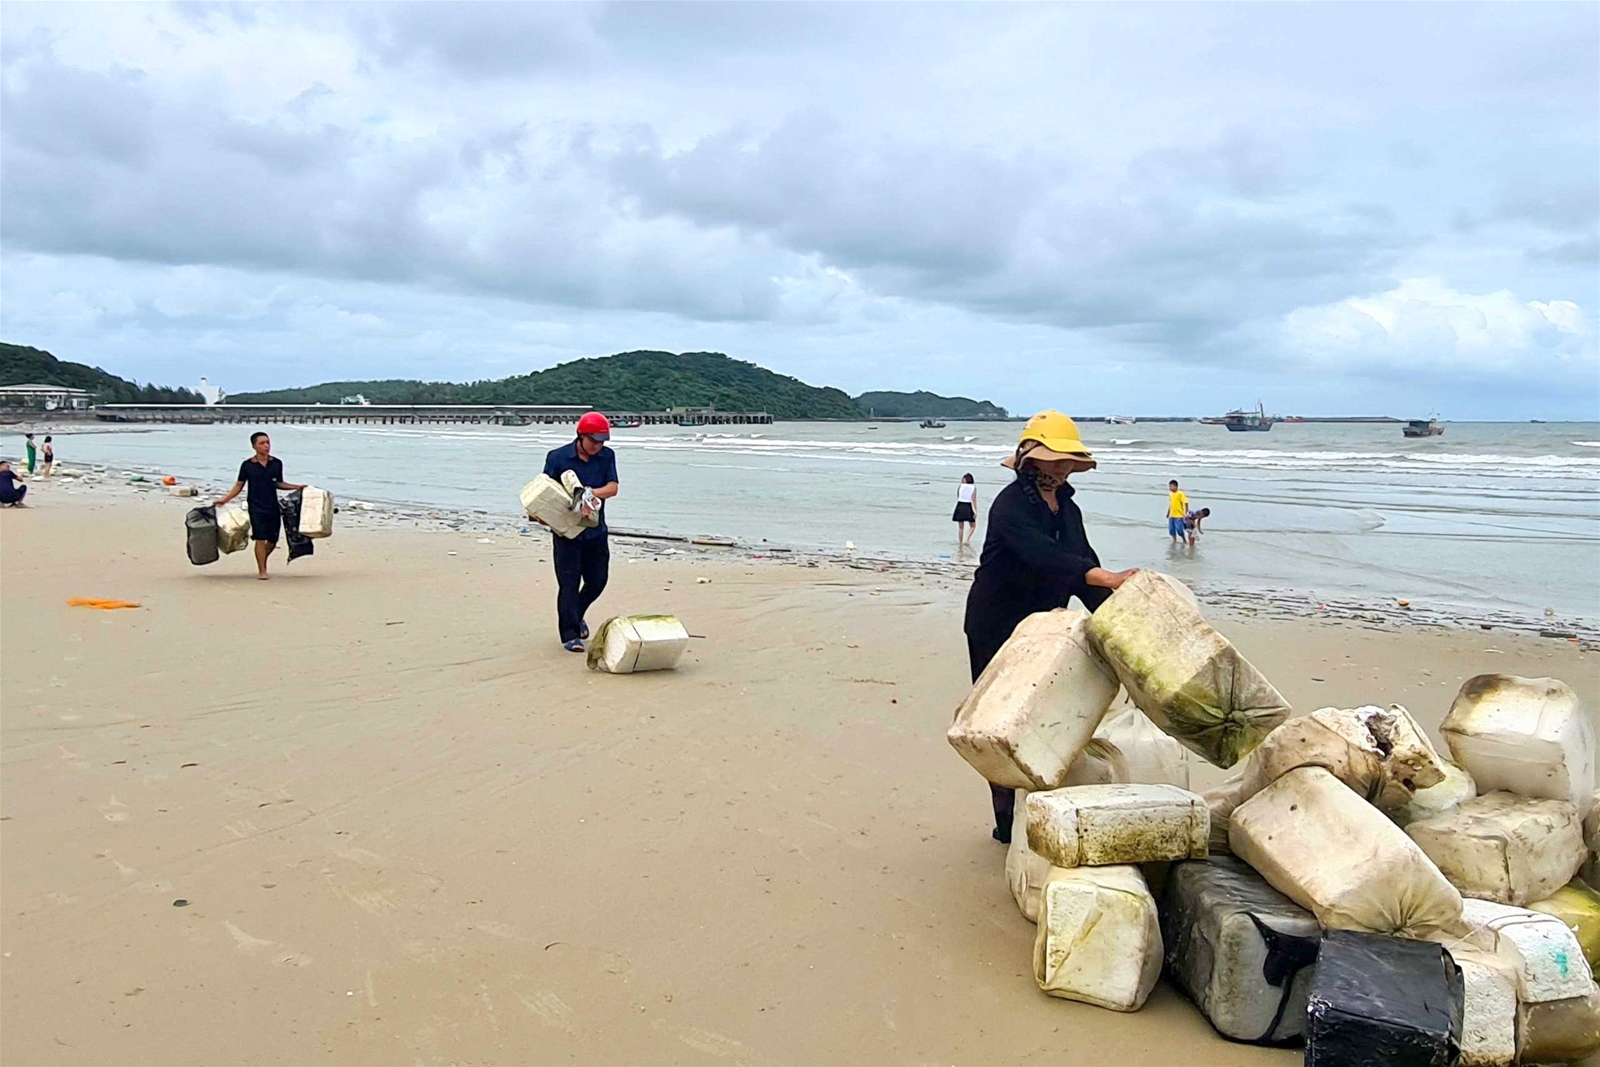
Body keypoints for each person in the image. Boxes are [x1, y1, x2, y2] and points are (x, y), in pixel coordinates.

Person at [964, 411, 1138, 842]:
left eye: (1067, 461)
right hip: (995, 623)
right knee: (999, 723)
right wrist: (1105, 576)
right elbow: (1046, 557)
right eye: (1051, 459)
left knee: (1044, 719)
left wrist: (1122, 619)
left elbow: (1084, 564)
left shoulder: (1069, 509)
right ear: (1029, 458)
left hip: (1044, 630)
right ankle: (1007, 825)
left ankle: (1039, 813)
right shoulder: (1010, 506)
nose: (1060, 468)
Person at [542, 412, 620, 653]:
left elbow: (613, 487)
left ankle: (576, 615)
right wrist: (539, 514)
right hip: (567, 533)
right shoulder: (557, 457)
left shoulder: (607, 456)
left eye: (602, 441)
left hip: (596, 530)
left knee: (598, 581)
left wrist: (589, 494)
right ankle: (570, 635)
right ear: (581, 436)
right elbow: (545, 490)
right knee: (569, 583)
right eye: (593, 441)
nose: (598, 446)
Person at [213, 431, 305, 580]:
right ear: (254, 446)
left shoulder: (276, 463)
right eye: (262, 443)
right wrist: (225, 499)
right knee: (260, 538)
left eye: (268, 442)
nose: (266, 446)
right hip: (256, 506)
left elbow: (278, 483)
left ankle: (263, 559)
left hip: (273, 506)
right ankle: (262, 570)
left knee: (273, 541)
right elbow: (239, 485)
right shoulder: (248, 465)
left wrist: (297, 487)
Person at [952, 473, 978, 546]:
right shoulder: (973, 487)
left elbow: (958, 496)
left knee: (960, 527)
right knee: (973, 526)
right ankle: (966, 539)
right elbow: (973, 500)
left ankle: (960, 542)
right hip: (968, 506)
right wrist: (975, 511)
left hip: (960, 505)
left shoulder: (961, 486)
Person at [1166, 479, 1189, 544]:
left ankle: (1184, 539)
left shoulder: (1180, 493)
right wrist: (1168, 513)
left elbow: (1186, 502)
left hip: (1179, 515)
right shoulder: (1171, 494)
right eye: (1169, 486)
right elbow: (1171, 504)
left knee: (1179, 530)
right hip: (1172, 515)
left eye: (1171, 486)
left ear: (1175, 486)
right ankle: (1174, 541)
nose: (1170, 488)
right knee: (1171, 530)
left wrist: (1186, 512)